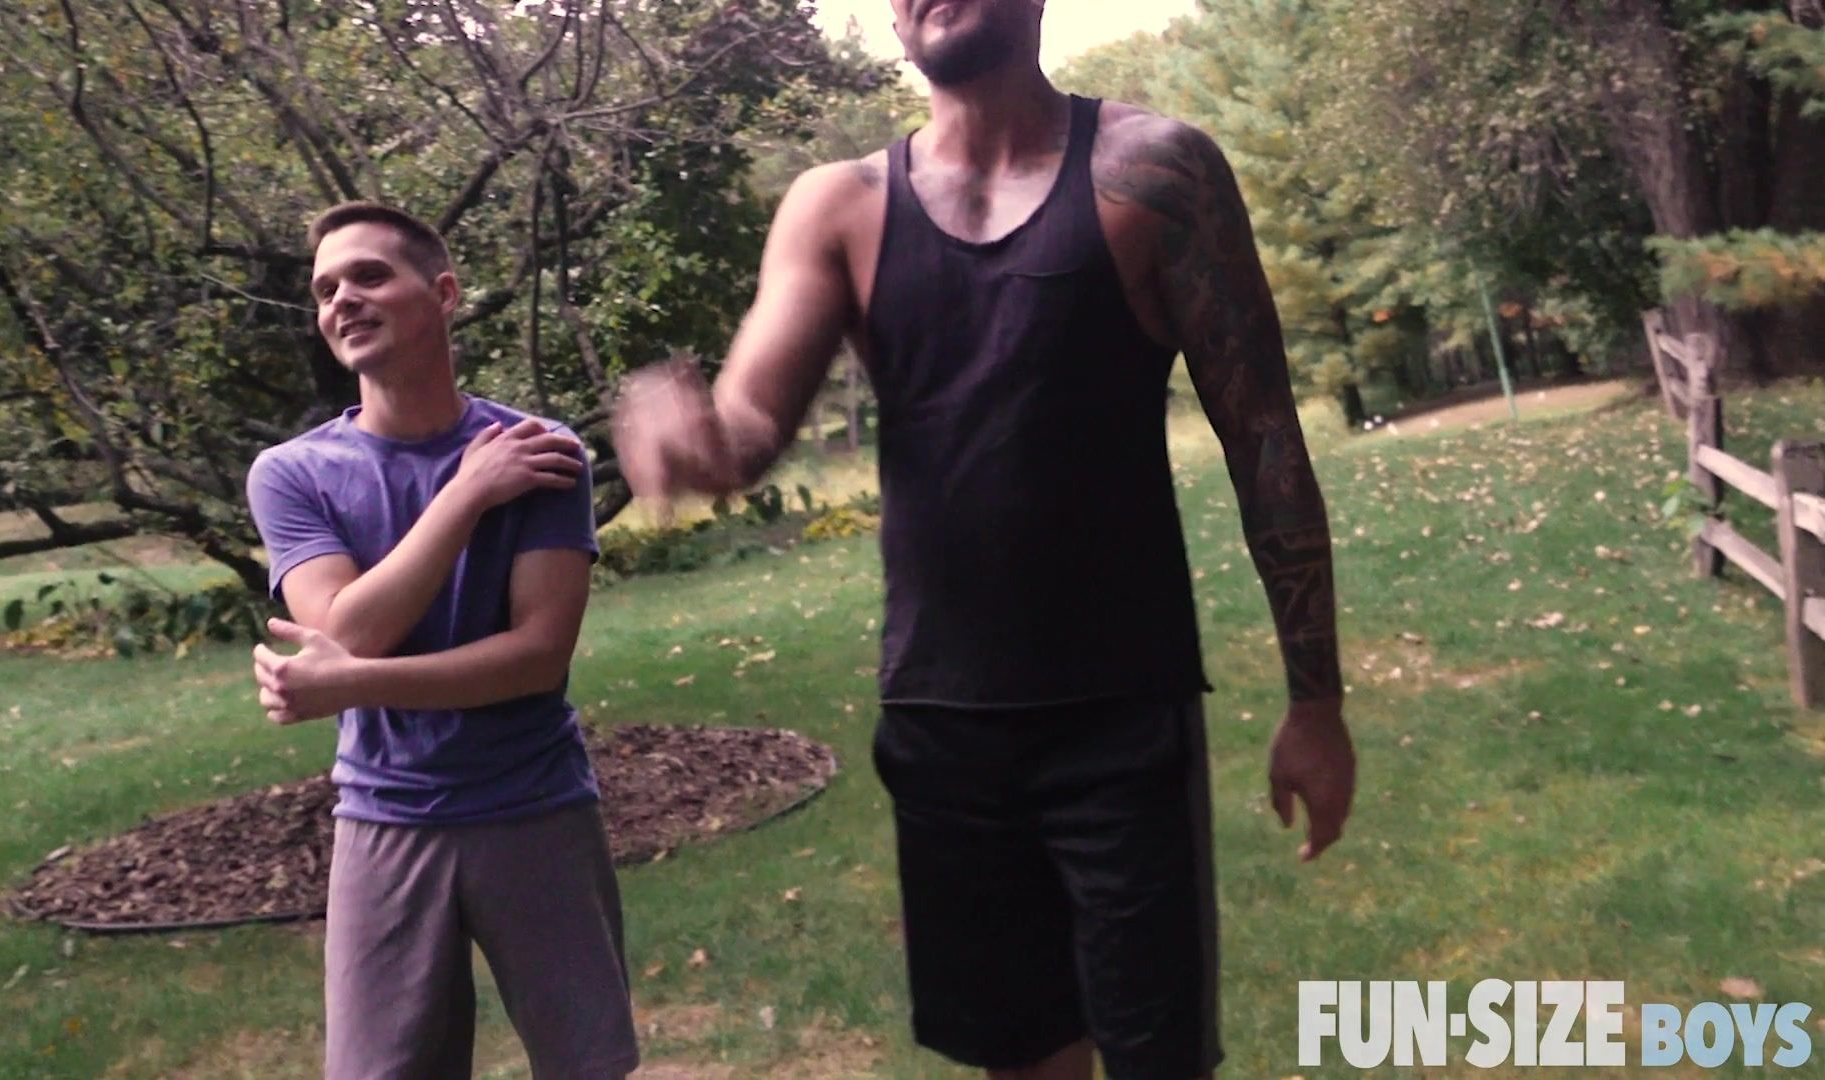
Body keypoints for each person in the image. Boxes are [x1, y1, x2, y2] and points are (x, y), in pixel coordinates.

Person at [613, 1, 1356, 1076]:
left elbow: (1266, 440)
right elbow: (746, 430)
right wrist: (686, 431)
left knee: (1159, 1059)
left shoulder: (1155, 172)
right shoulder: (839, 205)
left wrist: (1316, 703)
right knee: (1021, 1058)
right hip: (943, 726)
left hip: (1121, 716)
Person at [244, 202, 638, 1080]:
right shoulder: (292, 474)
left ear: (445, 294)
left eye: (369, 276)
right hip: (384, 817)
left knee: (586, 1067)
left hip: (535, 807)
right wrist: (465, 494)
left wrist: (353, 682)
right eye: (325, 289)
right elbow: (344, 629)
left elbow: (537, 659)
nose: (343, 299)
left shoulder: (542, 453)